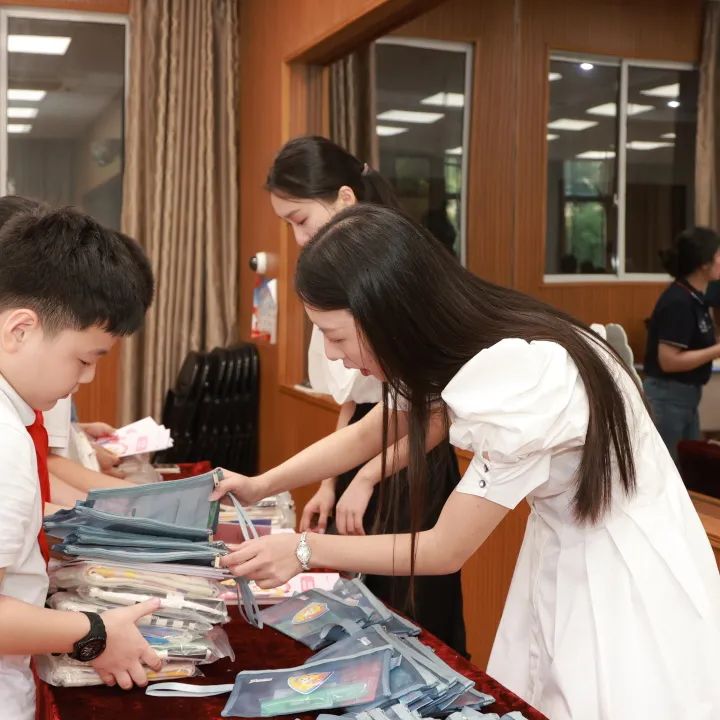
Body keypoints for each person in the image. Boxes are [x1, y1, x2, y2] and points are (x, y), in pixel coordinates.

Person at [213, 205, 720, 720]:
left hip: (617, 570)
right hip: (566, 544)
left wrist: (304, 550)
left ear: (389, 314)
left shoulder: (520, 376)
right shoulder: (460, 348)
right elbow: (371, 432)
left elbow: (445, 548)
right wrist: (260, 484)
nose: (332, 354)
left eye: (337, 336)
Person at [265, 136, 467, 654]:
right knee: (362, 611)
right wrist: (328, 482)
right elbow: (362, 411)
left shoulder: (394, 285)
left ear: (345, 199)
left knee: (411, 616)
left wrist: (364, 479)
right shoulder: (339, 289)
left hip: (409, 459)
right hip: (378, 443)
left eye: (300, 219)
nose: (298, 238)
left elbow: (426, 411)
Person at [0, 203, 162, 719]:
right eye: (84, 359)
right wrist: (94, 632)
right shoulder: (6, 440)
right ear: (20, 330)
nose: (86, 379)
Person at [643, 227, 720, 463]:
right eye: (718, 255)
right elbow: (669, 361)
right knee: (668, 470)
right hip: (667, 400)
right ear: (704, 264)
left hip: (687, 399)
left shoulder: (697, 297)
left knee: (690, 468)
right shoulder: (678, 301)